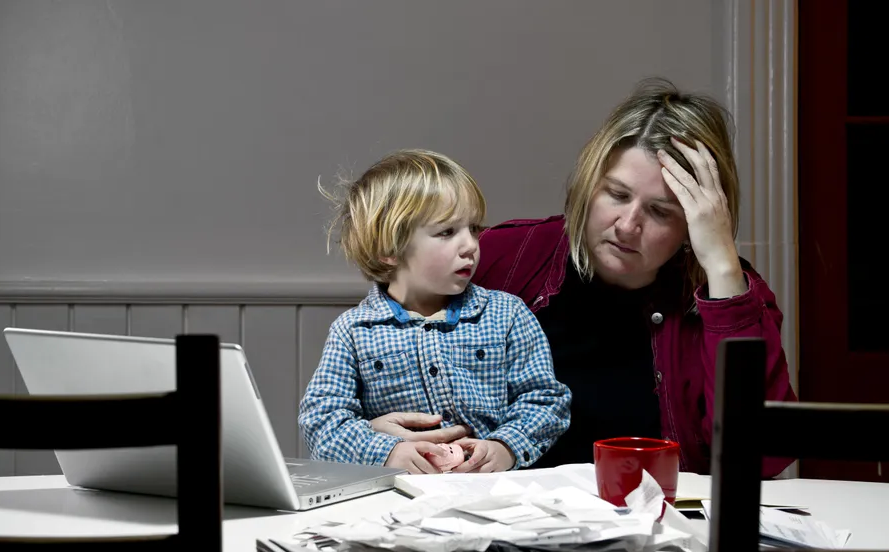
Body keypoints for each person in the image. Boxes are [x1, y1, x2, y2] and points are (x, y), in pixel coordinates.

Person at [469, 78, 795, 478]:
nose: (627, 226)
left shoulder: (732, 292)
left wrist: (724, 269)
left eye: (660, 211)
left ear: (695, 222)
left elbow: (764, 457)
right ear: (589, 184)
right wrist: (372, 427)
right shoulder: (505, 256)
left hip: (662, 525)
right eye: (617, 195)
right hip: (504, 518)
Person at [298, 149, 572, 475]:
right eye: (447, 232)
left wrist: (505, 447)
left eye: (473, 228)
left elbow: (546, 400)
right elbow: (322, 421)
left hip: (494, 494)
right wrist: (387, 453)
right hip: (395, 498)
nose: (471, 245)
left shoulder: (506, 315)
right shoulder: (354, 331)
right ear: (389, 248)